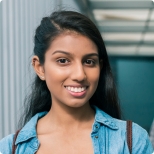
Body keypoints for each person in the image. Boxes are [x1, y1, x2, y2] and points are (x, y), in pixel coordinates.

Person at [0, 10, 153, 154]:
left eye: (89, 61)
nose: (80, 75)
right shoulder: (9, 148)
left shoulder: (132, 141)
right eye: (63, 60)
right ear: (39, 67)